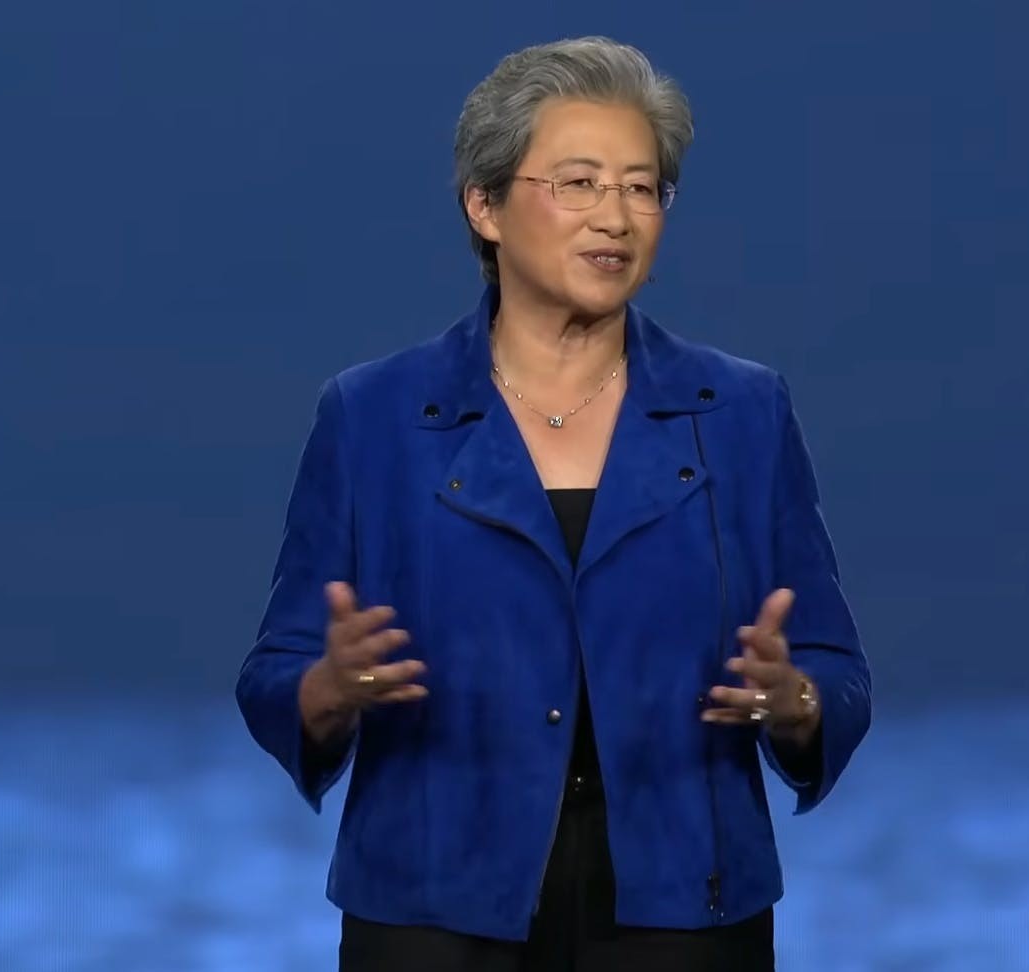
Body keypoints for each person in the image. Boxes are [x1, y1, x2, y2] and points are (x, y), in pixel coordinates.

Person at [234, 36, 872, 972]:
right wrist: (326, 695)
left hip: (685, 917)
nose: (616, 216)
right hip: (433, 916)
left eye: (643, 188)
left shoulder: (740, 413)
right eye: (579, 183)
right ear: (484, 206)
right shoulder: (373, 416)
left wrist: (795, 701)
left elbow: (835, 670)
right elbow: (275, 672)